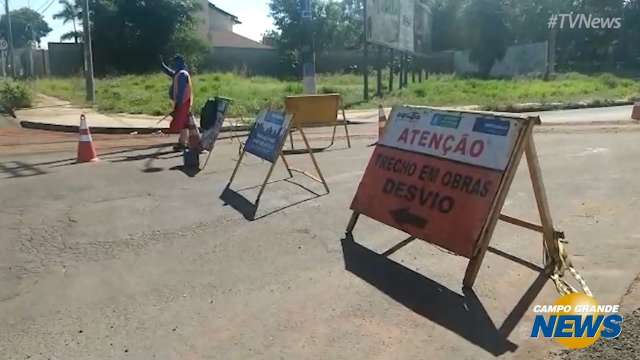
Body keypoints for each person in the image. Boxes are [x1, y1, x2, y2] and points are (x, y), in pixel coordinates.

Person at [161, 55, 193, 152]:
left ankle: (184, 143)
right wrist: (162, 65)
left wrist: (178, 105)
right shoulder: (179, 73)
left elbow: (181, 91)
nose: (173, 65)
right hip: (184, 102)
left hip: (183, 102)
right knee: (184, 123)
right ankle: (183, 142)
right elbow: (170, 73)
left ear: (179, 63)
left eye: (175, 63)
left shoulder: (182, 74)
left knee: (180, 123)